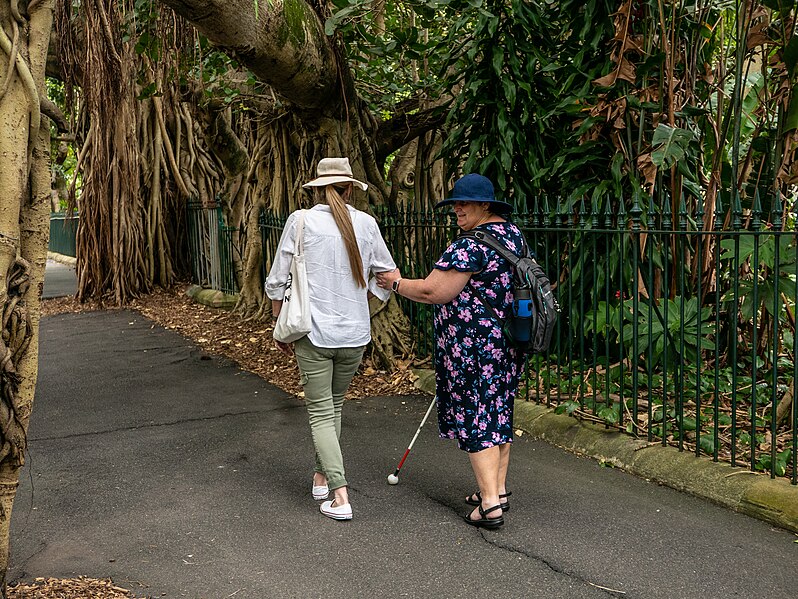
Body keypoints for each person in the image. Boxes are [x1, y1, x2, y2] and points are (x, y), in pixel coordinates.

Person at [376, 173, 525, 530]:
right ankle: (498, 490)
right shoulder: (512, 235)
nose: (457, 209)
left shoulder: (470, 245)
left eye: (464, 203)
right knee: (497, 413)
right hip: (505, 343)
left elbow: (433, 291)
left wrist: (394, 283)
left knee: (478, 420)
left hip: (472, 347)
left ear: (485, 206)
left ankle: (489, 505)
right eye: (454, 203)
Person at [265, 157, 396, 521]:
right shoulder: (367, 224)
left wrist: (277, 321)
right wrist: (362, 304)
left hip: (314, 333)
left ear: (319, 189)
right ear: (350, 187)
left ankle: (340, 496)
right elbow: (388, 277)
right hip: (354, 334)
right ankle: (321, 478)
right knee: (334, 406)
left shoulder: (301, 221)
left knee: (321, 412)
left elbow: (277, 279)